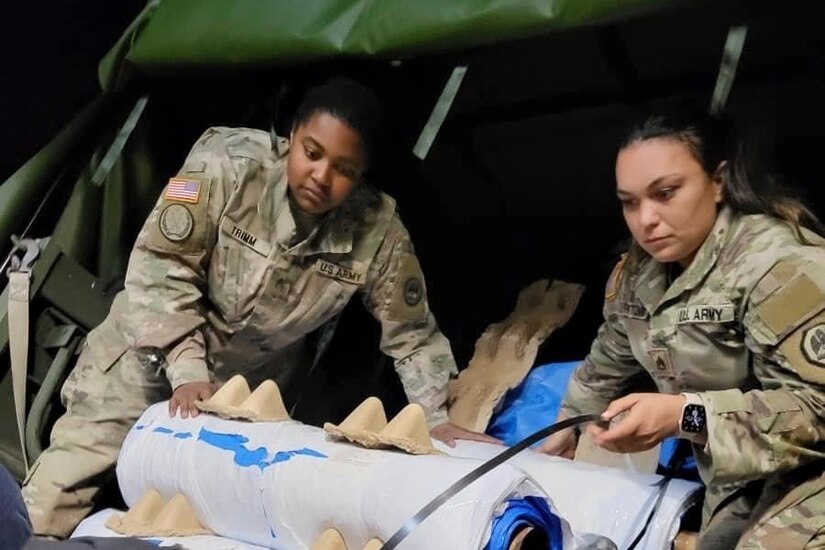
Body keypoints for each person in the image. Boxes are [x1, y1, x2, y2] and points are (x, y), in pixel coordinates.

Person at [22, 77, 495, 538]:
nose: (322, 177)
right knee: (48, 505)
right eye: (312, 153)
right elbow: (161, 266)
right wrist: (186, 369)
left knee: (198, 530)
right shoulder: (224, 163)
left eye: (345, 170)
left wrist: (435, 418)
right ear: (290, 136)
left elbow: (412, 336)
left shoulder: (378, 233)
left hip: (236, 401)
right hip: (144, 361)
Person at [541, 113, 825, 548]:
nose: (645, 220)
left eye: (665, 193)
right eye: (629, 202)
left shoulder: (778, 267)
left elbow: (817, 407)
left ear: (718, 181)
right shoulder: (641, 272)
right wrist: (564, 427)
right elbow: (608, 357)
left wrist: (682, 415)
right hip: (746, 469)